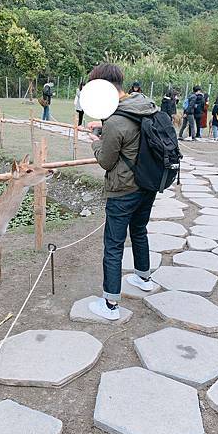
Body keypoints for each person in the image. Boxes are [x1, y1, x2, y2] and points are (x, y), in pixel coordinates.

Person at [87, 63, 158, 321]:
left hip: (123, 190)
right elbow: (131, 140)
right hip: (147, 185)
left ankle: (110, 304)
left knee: (114, 245)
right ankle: (144, 278)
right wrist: (105, 128)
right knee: (139, 231)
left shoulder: (117, 121)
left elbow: (106, 161)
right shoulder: (145, 107)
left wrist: (96, 142)